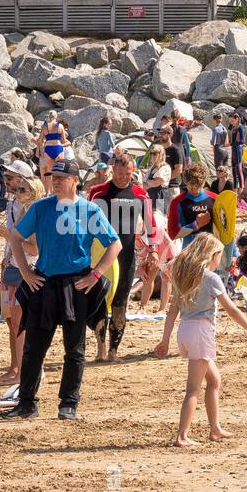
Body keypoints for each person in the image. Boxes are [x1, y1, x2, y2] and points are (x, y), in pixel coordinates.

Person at [5, 159, 121, 420]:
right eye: (52, 176)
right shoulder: (40, 208)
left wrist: (96, 274)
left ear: (75, 180)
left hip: (77, 283)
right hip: (44, 282)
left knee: (75, 348)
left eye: (61, 177)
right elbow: (15, 237)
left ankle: (68, 403)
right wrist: (25, 272)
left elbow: (114, 245)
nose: (55, 181)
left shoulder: (90, 211)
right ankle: (27, 403)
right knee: (34, 347)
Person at [154, 234, 247, 446]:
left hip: (185, 331)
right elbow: (231, 310)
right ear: (213, 255)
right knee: (192, 389)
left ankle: (215, 429)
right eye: (219, 257)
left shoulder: (184, 277)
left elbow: (172, 312)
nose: (219, 262)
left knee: (214, 380)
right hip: (201, 332)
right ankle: (182, 436)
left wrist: (165, 340)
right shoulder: (211, 278)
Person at [87, 150, 155, 361]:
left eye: (127, 174)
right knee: (99, 301)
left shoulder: (140, 195)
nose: (123, 178)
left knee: (120, 302)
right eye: (119, 173)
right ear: (112, 170)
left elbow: (150, 224)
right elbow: (87, 225)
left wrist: (152, 249)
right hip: (101, 256)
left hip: (126, 256)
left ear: (133, 172)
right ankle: (100, 346)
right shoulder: (98, 193)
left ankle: (113, 351)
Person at [0, 164, 43, 386]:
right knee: (16, 322)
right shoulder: (21, 209)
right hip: (17, 267)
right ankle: (20, 370)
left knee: (21, 323)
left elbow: (33, 249)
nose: (18, 192)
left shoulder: (31, 212)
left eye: (23, 189)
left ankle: (25, 371)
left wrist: (11, 238)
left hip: (26, 270)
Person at [36, 110, 68, 192]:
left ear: (48, 117)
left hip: (48, 149)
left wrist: (40, 149)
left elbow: (40, 140)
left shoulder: (44, 127)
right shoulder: (59, 126)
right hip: (58, 148)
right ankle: (60, 191)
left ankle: (51, 192)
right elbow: (64, 140)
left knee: (50, 172)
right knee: (60, 171)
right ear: (56, 117)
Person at [144, 144, 172, 210]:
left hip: (160, 197)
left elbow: (156, 182)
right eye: (151, 153)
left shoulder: (165, 167)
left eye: (155, 153)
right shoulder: (152, 167)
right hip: (150, 196)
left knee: (159, 218)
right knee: (148, 218)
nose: (152, 155)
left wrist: (147, 183)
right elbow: (146, 183)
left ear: (161, 154)